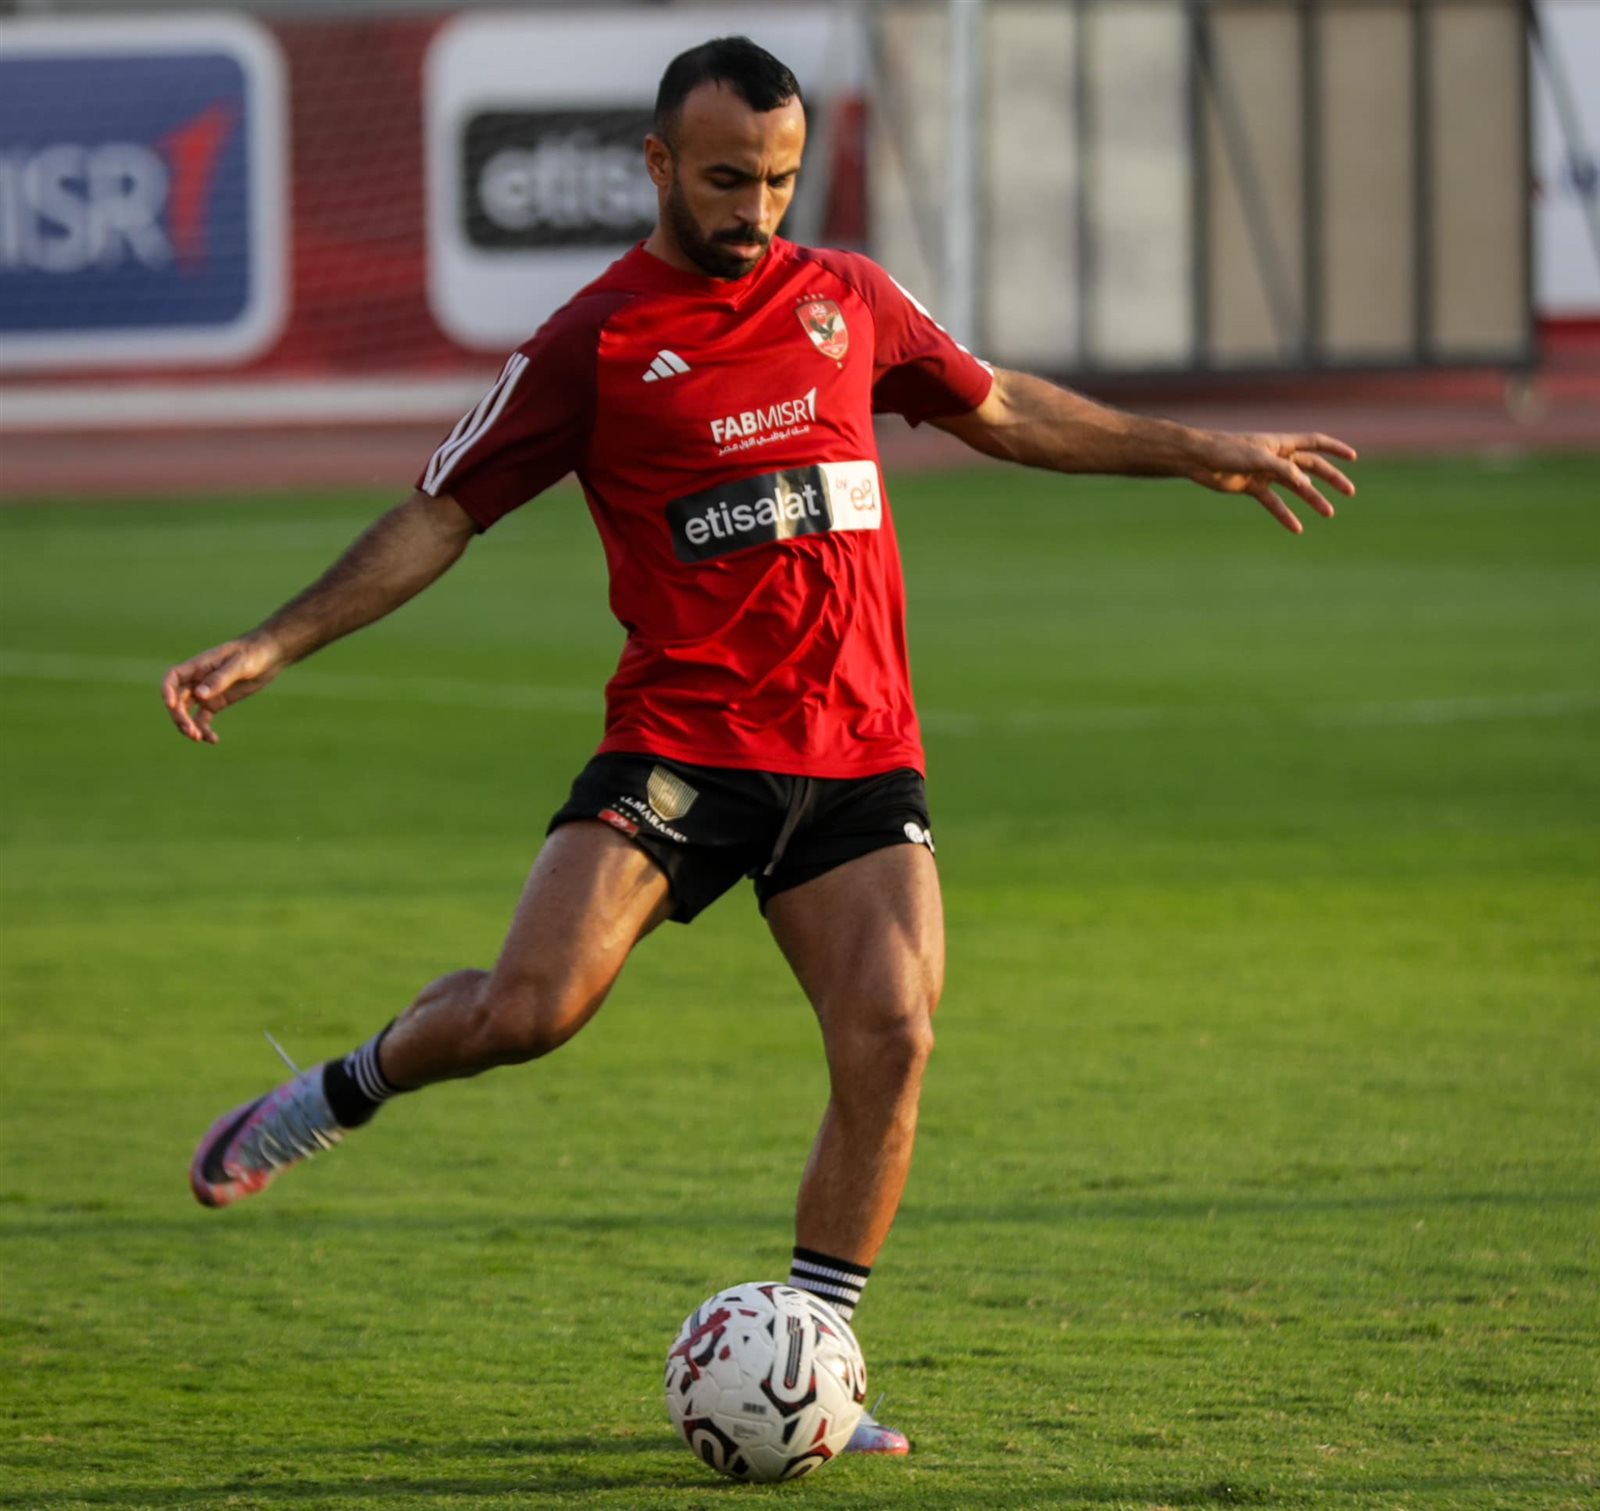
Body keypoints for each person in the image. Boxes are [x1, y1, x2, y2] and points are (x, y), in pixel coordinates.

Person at [163, 36, 1356, 1458]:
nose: (757, 209)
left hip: (856, 748)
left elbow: (1000, 405)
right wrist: (276, 641)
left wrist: (1196, 448)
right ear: (659, 164)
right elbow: (441, 512)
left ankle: (815, 1361)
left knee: (893, 1034)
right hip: (681, 745)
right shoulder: (596, 341)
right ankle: (336, 1093)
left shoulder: (848, 298)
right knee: (527, 1014)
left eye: (781, 180)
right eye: (729, 179)